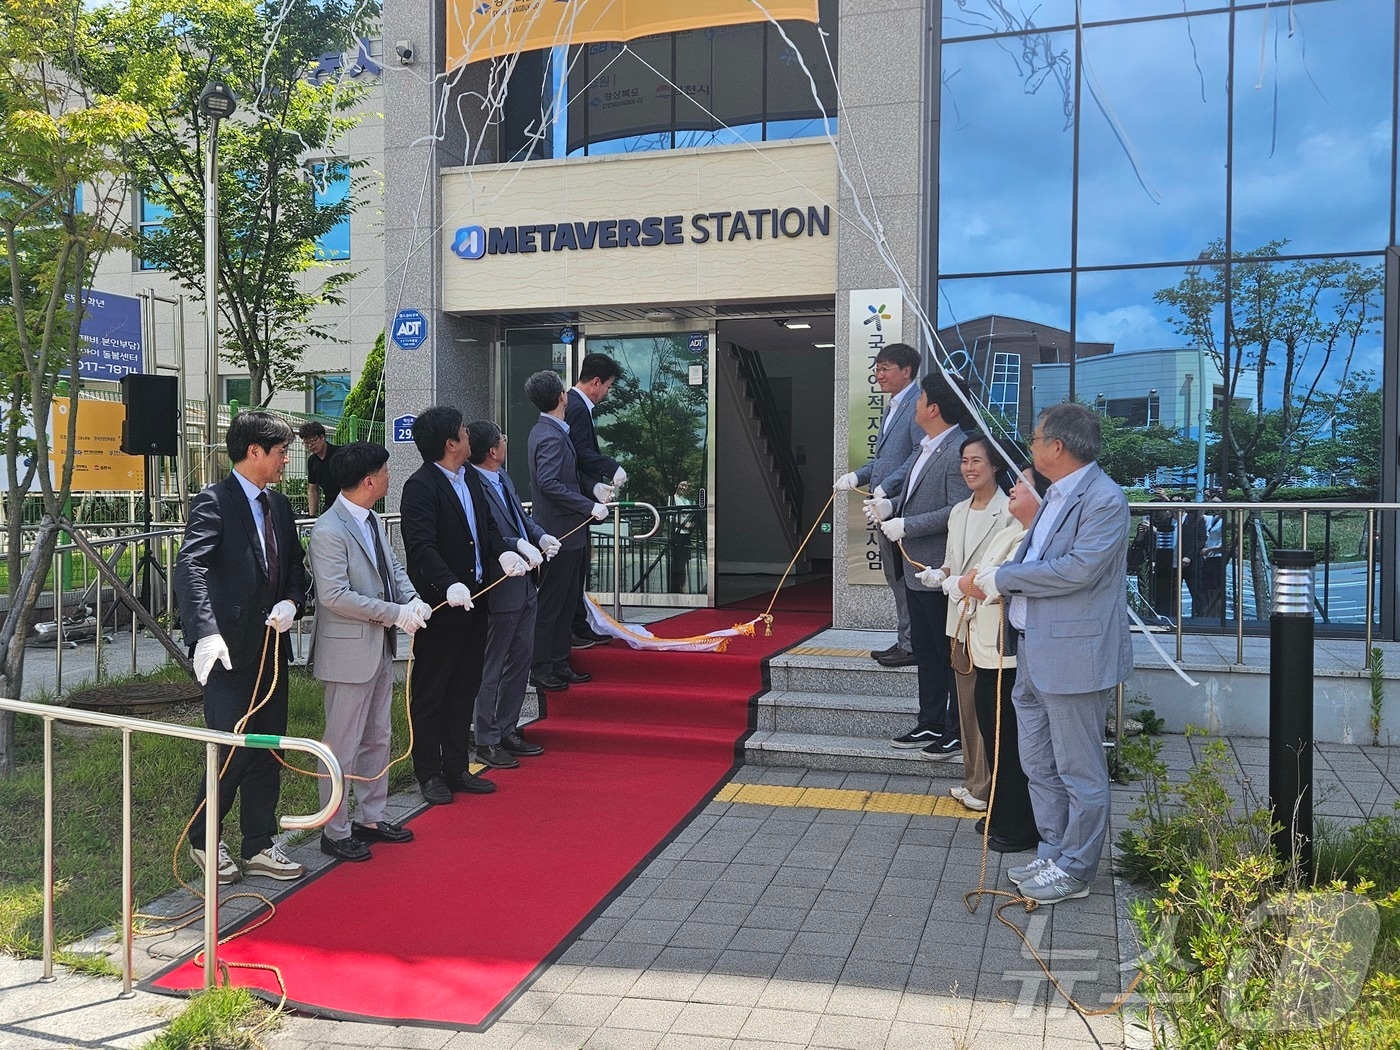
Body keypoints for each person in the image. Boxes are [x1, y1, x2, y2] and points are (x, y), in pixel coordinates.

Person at [972, 403, 1132, 905]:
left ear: (1057, 446)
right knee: (1038, 762)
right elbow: (1038, 556)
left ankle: (1078, 868)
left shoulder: (1104, 499)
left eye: (1036, 438)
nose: (1032, 445)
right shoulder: (1056, 495)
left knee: (1079, 769)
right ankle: (1054, 850)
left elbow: (1076, 570)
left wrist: (1001, 578)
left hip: (1074, 659)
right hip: (1035, 649)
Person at [175, 410, 308, 884]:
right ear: (253, 451)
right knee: (230, 747)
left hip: (272, 645)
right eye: (280, 452)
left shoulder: (281, 506)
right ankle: (203, 839)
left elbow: (294, 563)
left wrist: (293, 600)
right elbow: (190, 567)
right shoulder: (214, 501)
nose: (285, 461)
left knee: (267, 746)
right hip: (228, 649)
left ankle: (259, 842)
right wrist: (205, 632)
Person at [307, 442, 432, 861]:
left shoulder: (372, 519)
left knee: (378, 735)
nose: (389, 476)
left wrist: (412, 600)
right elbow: (336, 595)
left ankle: (371, 816)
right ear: (369, 481)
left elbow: (393, 568)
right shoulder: (328, 530)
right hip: (347, 652)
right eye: (385, 470)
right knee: (341, 743)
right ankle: (334, 828)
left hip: (378, 646)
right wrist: (395, 613)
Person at [401, 406, 527, 806]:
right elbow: (421, 546)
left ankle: (458, 766)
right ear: (449, 443)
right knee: (433, 689)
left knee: (465, 684)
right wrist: (448, 582)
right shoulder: (420, 486)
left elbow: (486, 527)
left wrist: (509, 549)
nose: (469, 437)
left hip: (476, 599)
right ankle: (429, 771)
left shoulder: (470, 476)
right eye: (462, 432)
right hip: (441, 604)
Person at [865, 373, 971, 758]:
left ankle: (955, 728)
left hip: (939, 569)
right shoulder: (927, 446)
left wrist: (906, 524)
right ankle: (930, 721)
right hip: (915, 568)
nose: (914, 404)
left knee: (947, 653)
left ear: (934, 408)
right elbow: (911, 494)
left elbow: (957, 510)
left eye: (921, 397)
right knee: (926, 652)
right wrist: (890, 505)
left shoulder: (959, 448)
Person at [953, 468, 1046, 854]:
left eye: (1022, 483)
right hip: (985, 647)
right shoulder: (1010, 532)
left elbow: (986, 582)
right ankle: (1000, 811)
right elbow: (977, 576)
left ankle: (1018, 822)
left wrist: (961, 584)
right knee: (992, 733)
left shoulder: (1033, 539)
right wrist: (962, 582)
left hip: (1009, 654)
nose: (1012, 487)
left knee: (1009, 739)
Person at [918, 434, 1011, 809]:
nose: (968, 468)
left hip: (990, 623)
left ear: (995, 467)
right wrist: (938, 574)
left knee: (990, 708)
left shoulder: (1008, 512)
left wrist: (955, 580)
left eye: (977, 461)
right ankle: (974, 782)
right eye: (964, 461)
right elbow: (953, 564)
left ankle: (991, 788)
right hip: (958, 622)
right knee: (966, 707)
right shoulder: (958, 511)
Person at [467, 420, 557, 768]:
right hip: (499, 584)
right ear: (492, 450)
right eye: (502, 438)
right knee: (493, 664)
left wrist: (539, 536)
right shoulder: (472, 483)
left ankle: (508, 729)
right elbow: (488, 534)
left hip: (526, 583)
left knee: (521, 660)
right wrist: (516, 547)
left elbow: (520, 519)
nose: (506, 442)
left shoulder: (502, 477)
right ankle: (486, 737)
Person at [835, 342, 922, 667]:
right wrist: (857, 477)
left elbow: (918, 454)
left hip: (902, 507)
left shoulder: (916, 404)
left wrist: (888, 485)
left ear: (906, 371)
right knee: (893, 576)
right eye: (877, 367)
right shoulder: (893, 406)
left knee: (904, 576)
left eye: (885, 368)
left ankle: (912, 644)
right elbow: (884, 459)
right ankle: (905, 639)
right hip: (883, 505)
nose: (878, 374)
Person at [527, 370, 611, 692]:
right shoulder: (548, 434)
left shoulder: (552, 429)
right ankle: (542, 666)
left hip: (570, 530)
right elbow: (549, 483)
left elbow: (569, 475)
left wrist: (592, 489)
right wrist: (586, 505)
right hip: (559, 532)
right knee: (552, 603)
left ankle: (560, 662)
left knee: (565, 602)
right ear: (562, 396)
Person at [565, 352, 626, 648]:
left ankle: (579, 624)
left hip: (582, 494)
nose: (608, 392)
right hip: (573, 503)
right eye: (609, 386)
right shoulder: (576, 406)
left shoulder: (576, 405)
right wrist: (610, 467)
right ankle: (575, 627)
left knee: (579, 568)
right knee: (574, 570)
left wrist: (593, 486)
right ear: (596, 382)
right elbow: (575, 454)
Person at [299, 421, 340, 515]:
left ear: (322, 437)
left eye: (312, 441)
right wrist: (311, 515)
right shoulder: (312, 461)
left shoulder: (340, 454)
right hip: (329, 504)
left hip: (348, 504)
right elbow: (313, 489)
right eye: (306, 442)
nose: (310, 445)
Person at [668, 480, 696, 592]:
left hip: (686, 534)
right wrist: (684, 524)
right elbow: (671, 517)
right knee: (677, 562)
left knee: (684, 562)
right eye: (681, 485)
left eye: (685, 485)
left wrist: (692, 525)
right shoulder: (672, 499)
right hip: (678, 533)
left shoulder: (687, 501)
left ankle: (682, 587)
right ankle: (675, 587)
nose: (683, 487)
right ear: (677, 485)